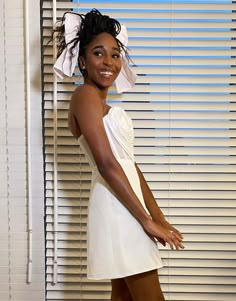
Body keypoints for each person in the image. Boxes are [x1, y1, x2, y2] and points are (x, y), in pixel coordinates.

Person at [53, 9, 184, 301]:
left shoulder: (100, 102)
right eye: (99, 53)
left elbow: (130, 166)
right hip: (118, 207)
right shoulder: (84, 95)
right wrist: (146, 220)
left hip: (124, 205)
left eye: (115, 54)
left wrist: (158, 216)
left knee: (123, 295)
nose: (109, 62)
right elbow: (107, 163)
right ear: (83, 62)